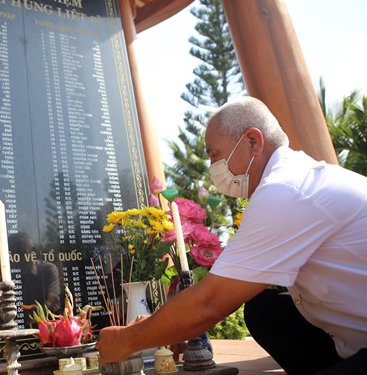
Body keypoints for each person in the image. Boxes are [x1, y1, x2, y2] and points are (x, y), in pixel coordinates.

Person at [96, 96, 367, 374]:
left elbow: (211, 302)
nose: (213, 168)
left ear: (252, 141)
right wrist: (168, 327)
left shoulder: (286, 190)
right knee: (264, 310)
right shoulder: (294, 179)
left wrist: (126, 340)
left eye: (215, 155)